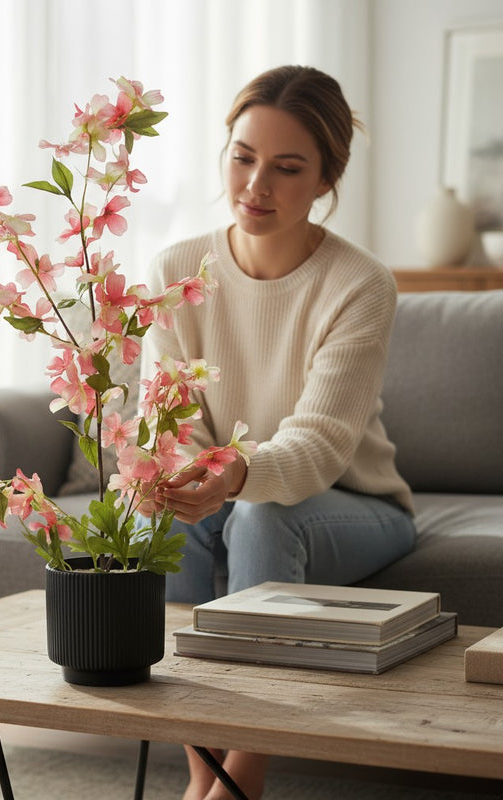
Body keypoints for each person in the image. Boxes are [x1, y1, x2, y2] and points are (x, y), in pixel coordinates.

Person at [138, 65, 417, 800]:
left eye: (287, 167)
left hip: (352, 503)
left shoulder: (359, 284)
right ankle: (206, 779)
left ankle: (243, 780)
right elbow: (162, 422)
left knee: (260, 517)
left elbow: (320, 442)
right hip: (230, 491)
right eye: (242, 156)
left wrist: (232, 477)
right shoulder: (175, 270)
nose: (255, 185)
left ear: (326, 179)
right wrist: (182, 480)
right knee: (159, 526)